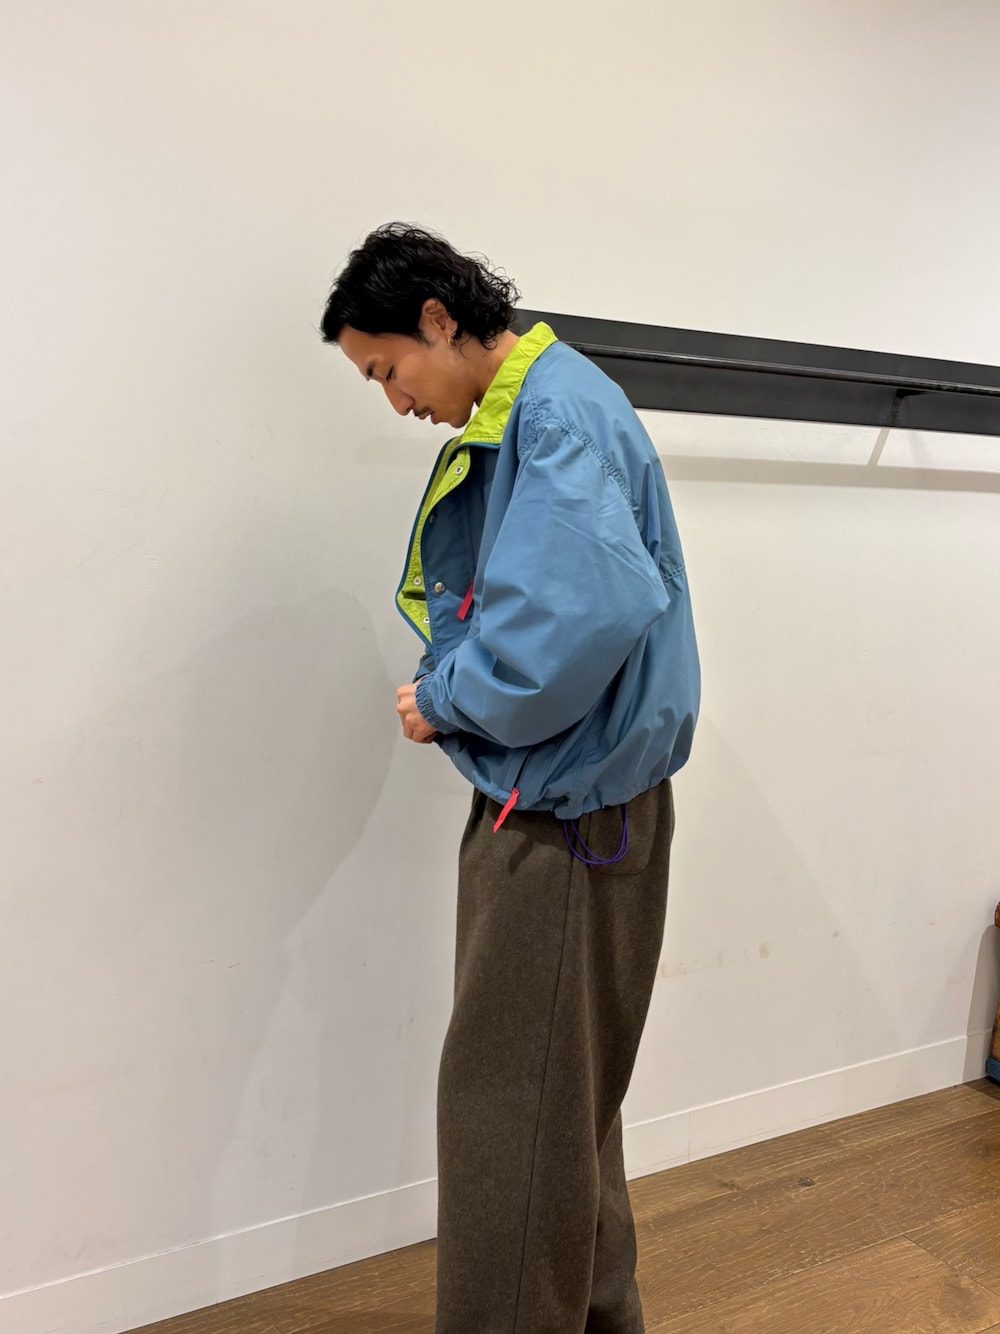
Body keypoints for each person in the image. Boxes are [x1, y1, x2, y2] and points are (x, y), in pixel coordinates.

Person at [321, 223, 700, 1334]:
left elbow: (568, 623)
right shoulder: (550, 399)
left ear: (439, 319)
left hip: (562, 822)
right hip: (584, 807)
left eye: (387, 370)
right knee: (562, 1110)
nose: (396, 402)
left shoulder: (553, 412)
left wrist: (446, 696)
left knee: (507, 1116)